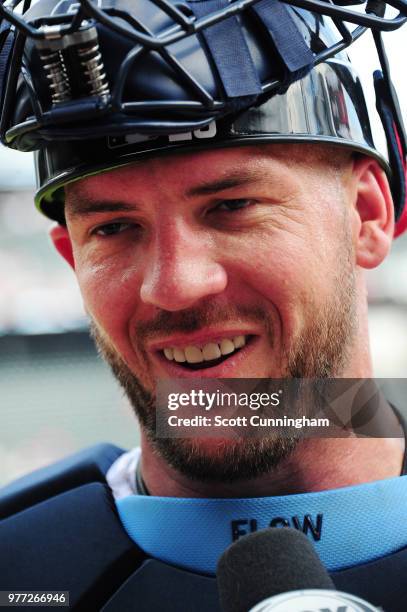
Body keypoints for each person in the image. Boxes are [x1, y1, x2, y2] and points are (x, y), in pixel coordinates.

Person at [0, 0, 406, 610]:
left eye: (232, 206)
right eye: (113, 228)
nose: (175, 285)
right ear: (71, 256)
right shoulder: (18, 570)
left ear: (367, 214)